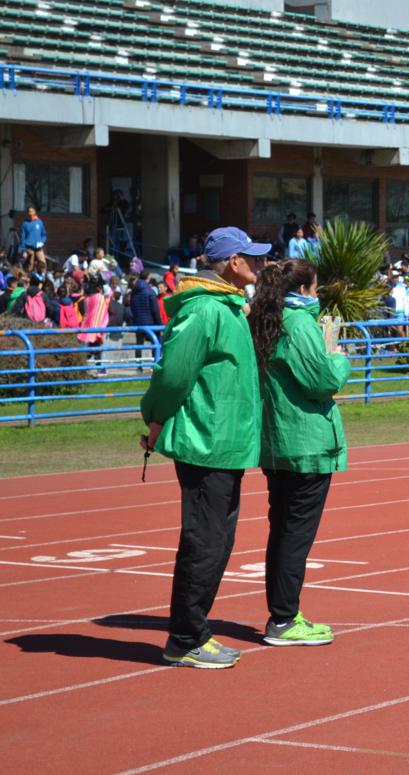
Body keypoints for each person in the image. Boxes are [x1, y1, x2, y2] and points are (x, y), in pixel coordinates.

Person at [139, 226, 269, 669]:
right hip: (206, 442)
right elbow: (174, 374)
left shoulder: (228, 307)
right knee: (205, 542)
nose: (260, 264)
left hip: (225, 443)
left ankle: (193, 633)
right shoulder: (204, 310)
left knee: (217, 541)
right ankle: (185, 637)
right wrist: (156, 418)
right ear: (233, 262)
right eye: (253, 257)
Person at [249, 259, 350, 646]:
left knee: (282, 532)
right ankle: (284, 618)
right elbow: (321, 381)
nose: (318, 294)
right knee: (294, 536)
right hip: (306, 443)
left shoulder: (263, 319)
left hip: (277, 442)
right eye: (315, 287)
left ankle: (282, 614)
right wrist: (337, 357)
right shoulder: (298, 323)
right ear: (304, 290)